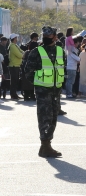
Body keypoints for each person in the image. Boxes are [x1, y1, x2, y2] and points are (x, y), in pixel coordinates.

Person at [25, 27, 65, 158]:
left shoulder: (60, 51)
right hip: (43, 92)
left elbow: (61, 68)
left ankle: (45, 146)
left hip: (56, 91)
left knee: (53, 118)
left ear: (55, 37)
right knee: (44, 117)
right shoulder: (36, 52)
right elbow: (28, 72)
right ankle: (45, 145)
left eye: (50, 36)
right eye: (45, 36)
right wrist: (40, 84)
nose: (47, 38)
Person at [8, 33, 23, 100]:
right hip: (13, 65)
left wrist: (24, 53)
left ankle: (14, 94)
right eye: (16, 38)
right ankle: (13, 94)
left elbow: (22, 51)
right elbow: (19, 55)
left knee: (16, 80)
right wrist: (24, 55)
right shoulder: (12, 46)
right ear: (14, 39)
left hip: (16, 65)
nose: (17, 39)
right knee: (14, 81)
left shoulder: (15, 45)